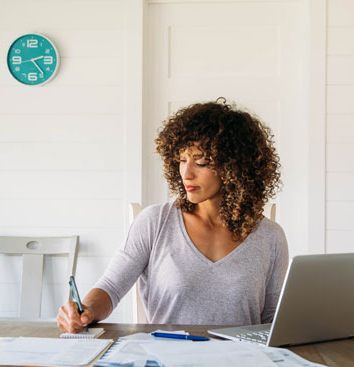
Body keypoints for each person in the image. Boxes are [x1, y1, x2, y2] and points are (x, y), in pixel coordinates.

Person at [57, 98, 289, 333]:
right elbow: (110, 287)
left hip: (242, 364)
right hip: (166, 361)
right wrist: (85, 310)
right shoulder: (155, 222)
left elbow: (272, 320)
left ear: (235, 167)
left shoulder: (270, 236)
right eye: (181, 160)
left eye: (201, 162)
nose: (186, 174)